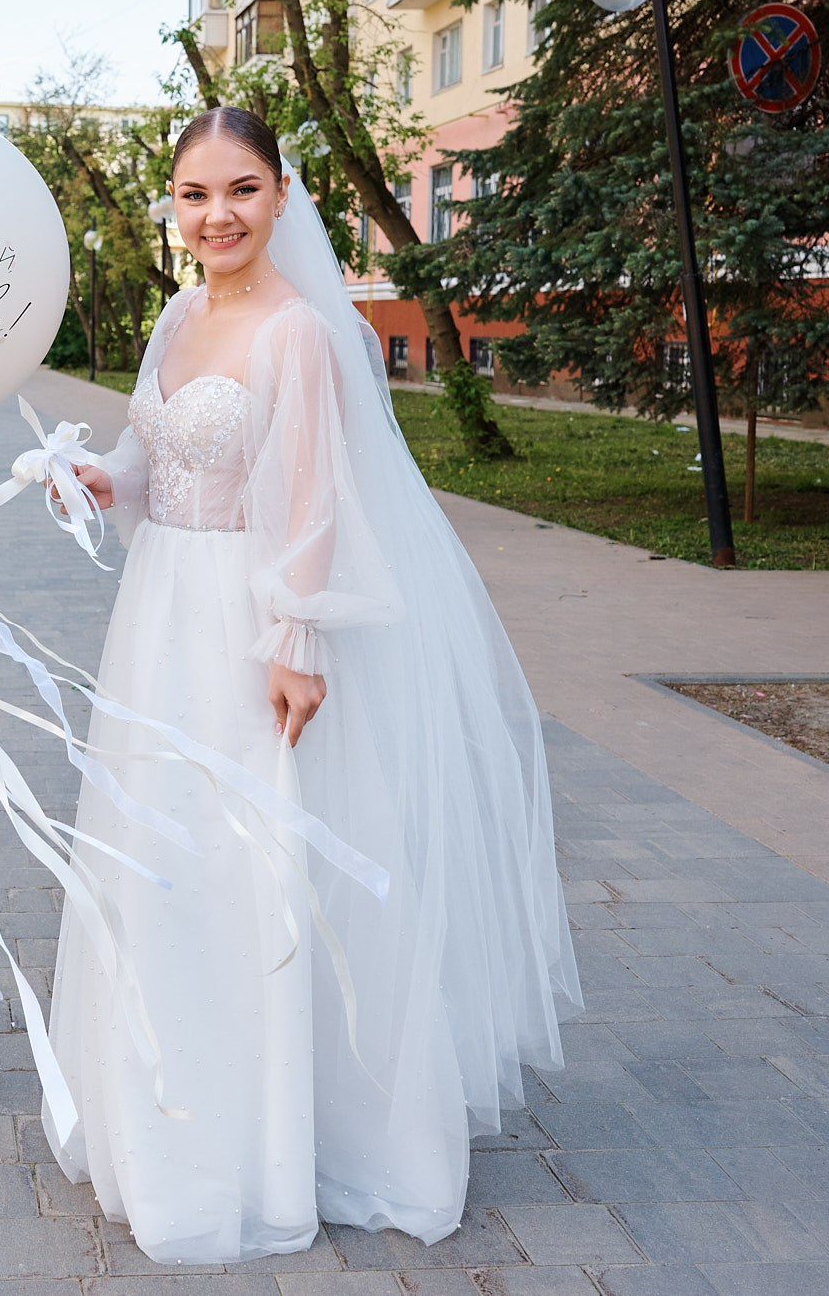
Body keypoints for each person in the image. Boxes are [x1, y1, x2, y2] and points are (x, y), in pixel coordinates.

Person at [49, 108, 578, 1261]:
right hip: (158, 619)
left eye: (240, 189)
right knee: (171, 856)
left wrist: (294, 641)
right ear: (172, 205)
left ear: (281, 196)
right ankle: (175, 1112)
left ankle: (282, 1137)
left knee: (259, 860)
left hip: (249, 624)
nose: (217, 215)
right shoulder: (176, 313)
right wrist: (99, 477)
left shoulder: (300, 334)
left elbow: (312, 499)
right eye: (194, 194)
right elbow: (156, 458)